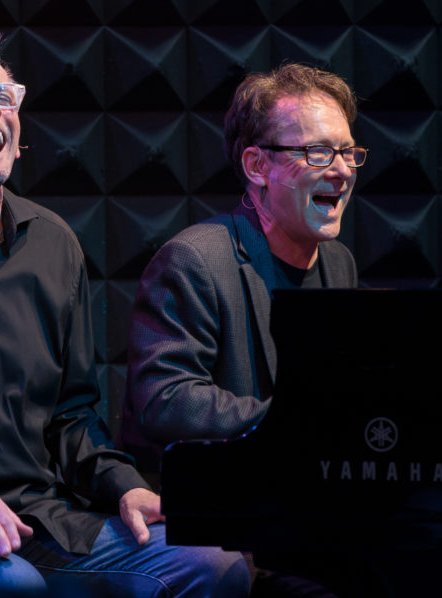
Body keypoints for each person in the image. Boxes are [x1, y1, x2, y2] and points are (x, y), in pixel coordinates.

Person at [0, 22, 251, 598]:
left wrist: (123, 487)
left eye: (3, 96)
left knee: (212, 566)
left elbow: (72, 416)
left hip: (40, 522)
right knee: (8, 585)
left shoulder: (54, 243)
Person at [120, 63, 367, 596]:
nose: (342, 170)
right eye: (317, 152)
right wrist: (293, 424)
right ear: (257, 165)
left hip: (306, 519)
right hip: (222, 529)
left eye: (349, 152)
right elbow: (164, 400)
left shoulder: (338, 263)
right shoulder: (193, 260)